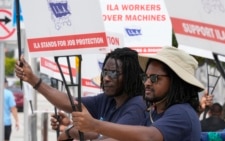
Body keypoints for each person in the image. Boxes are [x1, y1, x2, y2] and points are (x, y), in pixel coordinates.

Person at [71, 46, 205, 141]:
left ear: (176, 81)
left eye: (154, 78)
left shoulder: (181, 112)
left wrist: (95, 125)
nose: (147, 83)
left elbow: (149, 137)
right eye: (145, 77)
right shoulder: (154, 113)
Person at [15, 47, 146, 140]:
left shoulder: (137, 106)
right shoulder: (108, 99)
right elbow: (70, 102)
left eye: (113, 73)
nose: (106, 78)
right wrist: (33, 80)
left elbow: (109, 138)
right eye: (105, 72)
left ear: (130, 76)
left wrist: (71, 132)